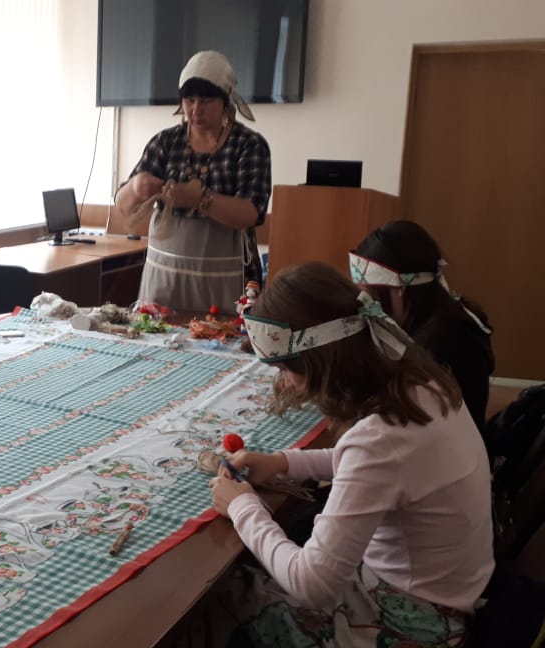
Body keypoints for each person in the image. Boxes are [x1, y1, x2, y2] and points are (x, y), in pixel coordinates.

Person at [210, 262, 493, 646]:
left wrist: (243, 507)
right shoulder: (423, 385)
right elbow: (376, 469)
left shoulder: (380, 440)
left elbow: (312, 584)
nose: (284, 382)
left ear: (321, 362)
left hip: (413, 622)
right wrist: (283, 463)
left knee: (223, 601)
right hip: (447, 590)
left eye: (286, 369)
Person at [114, 50, 271, 313]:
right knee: (157, 330)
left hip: (226, 280)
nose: (196, 109)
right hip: (165, 278)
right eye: (189, 100)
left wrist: (201, 200)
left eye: (206, 101)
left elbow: (251, 213)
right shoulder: (166, 142)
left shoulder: (249, 145)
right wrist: (136, 187)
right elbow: (123, 204)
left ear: (225, 101)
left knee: (221, 335)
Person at [352, 220, 495, 428]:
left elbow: (401, 416)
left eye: (373, 296)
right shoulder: (449, 315)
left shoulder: (442, 342)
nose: (370, 307)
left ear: (399, 289)